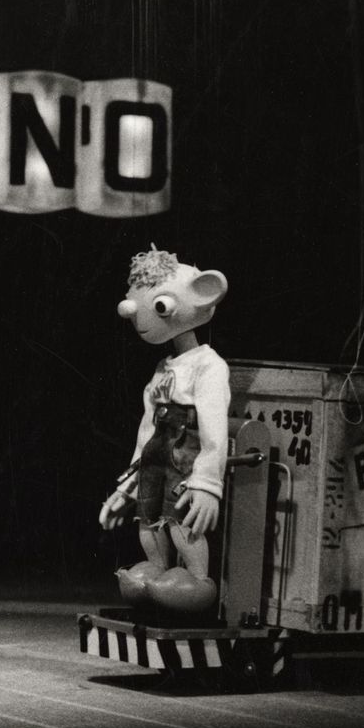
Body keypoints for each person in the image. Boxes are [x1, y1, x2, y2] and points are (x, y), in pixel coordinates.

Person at [98, 247, 231, 616]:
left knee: (179, 519)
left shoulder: (209, 365)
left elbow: (214, 429)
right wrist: (129, 482)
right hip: (157, 452)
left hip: (185, 452)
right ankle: (156, 568)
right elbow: (147, 427)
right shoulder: (163, 367)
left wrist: (208, 483)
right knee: (147, 517)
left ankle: (197, 578)